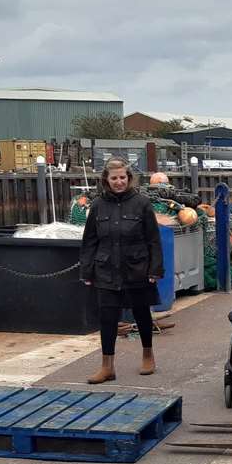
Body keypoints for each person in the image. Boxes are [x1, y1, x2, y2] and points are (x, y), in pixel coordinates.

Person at [80, 157, 164, 384]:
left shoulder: (142, 204)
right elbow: (89, 241)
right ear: (106, 180)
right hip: (106, 270)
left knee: (141, 314)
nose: (119, 182)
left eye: (122, 177)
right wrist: (87, 271)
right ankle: (107, 366)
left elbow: (153, 240)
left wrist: (155, 269)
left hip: (137, 269)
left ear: (129, 178)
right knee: (107, 319)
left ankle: (148, 356)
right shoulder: (97, 205)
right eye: (114, 178)